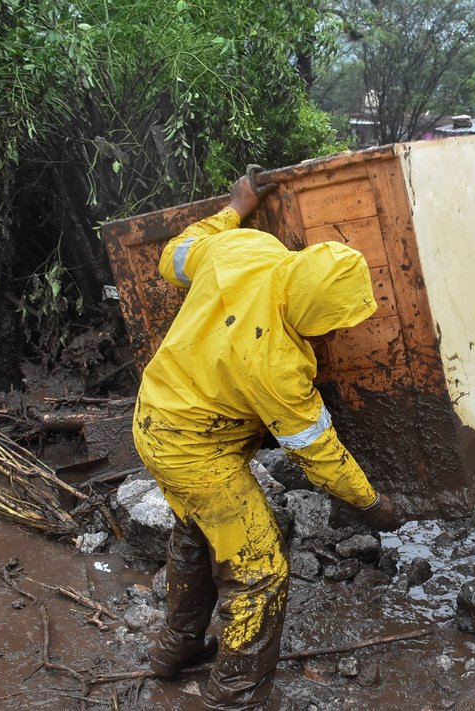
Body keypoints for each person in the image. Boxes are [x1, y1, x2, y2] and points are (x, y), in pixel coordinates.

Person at [132, 174, 398, 709]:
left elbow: (174, 256)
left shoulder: (248, 246)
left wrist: (233, 209)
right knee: (259, 569)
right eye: (330, 325)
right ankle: (234, 693)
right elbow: (318, 454)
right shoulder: (277, 362)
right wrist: (369, 503)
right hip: (195, 451)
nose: (333, 336)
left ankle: (177, 647)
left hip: (152, 418)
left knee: (197, 529)